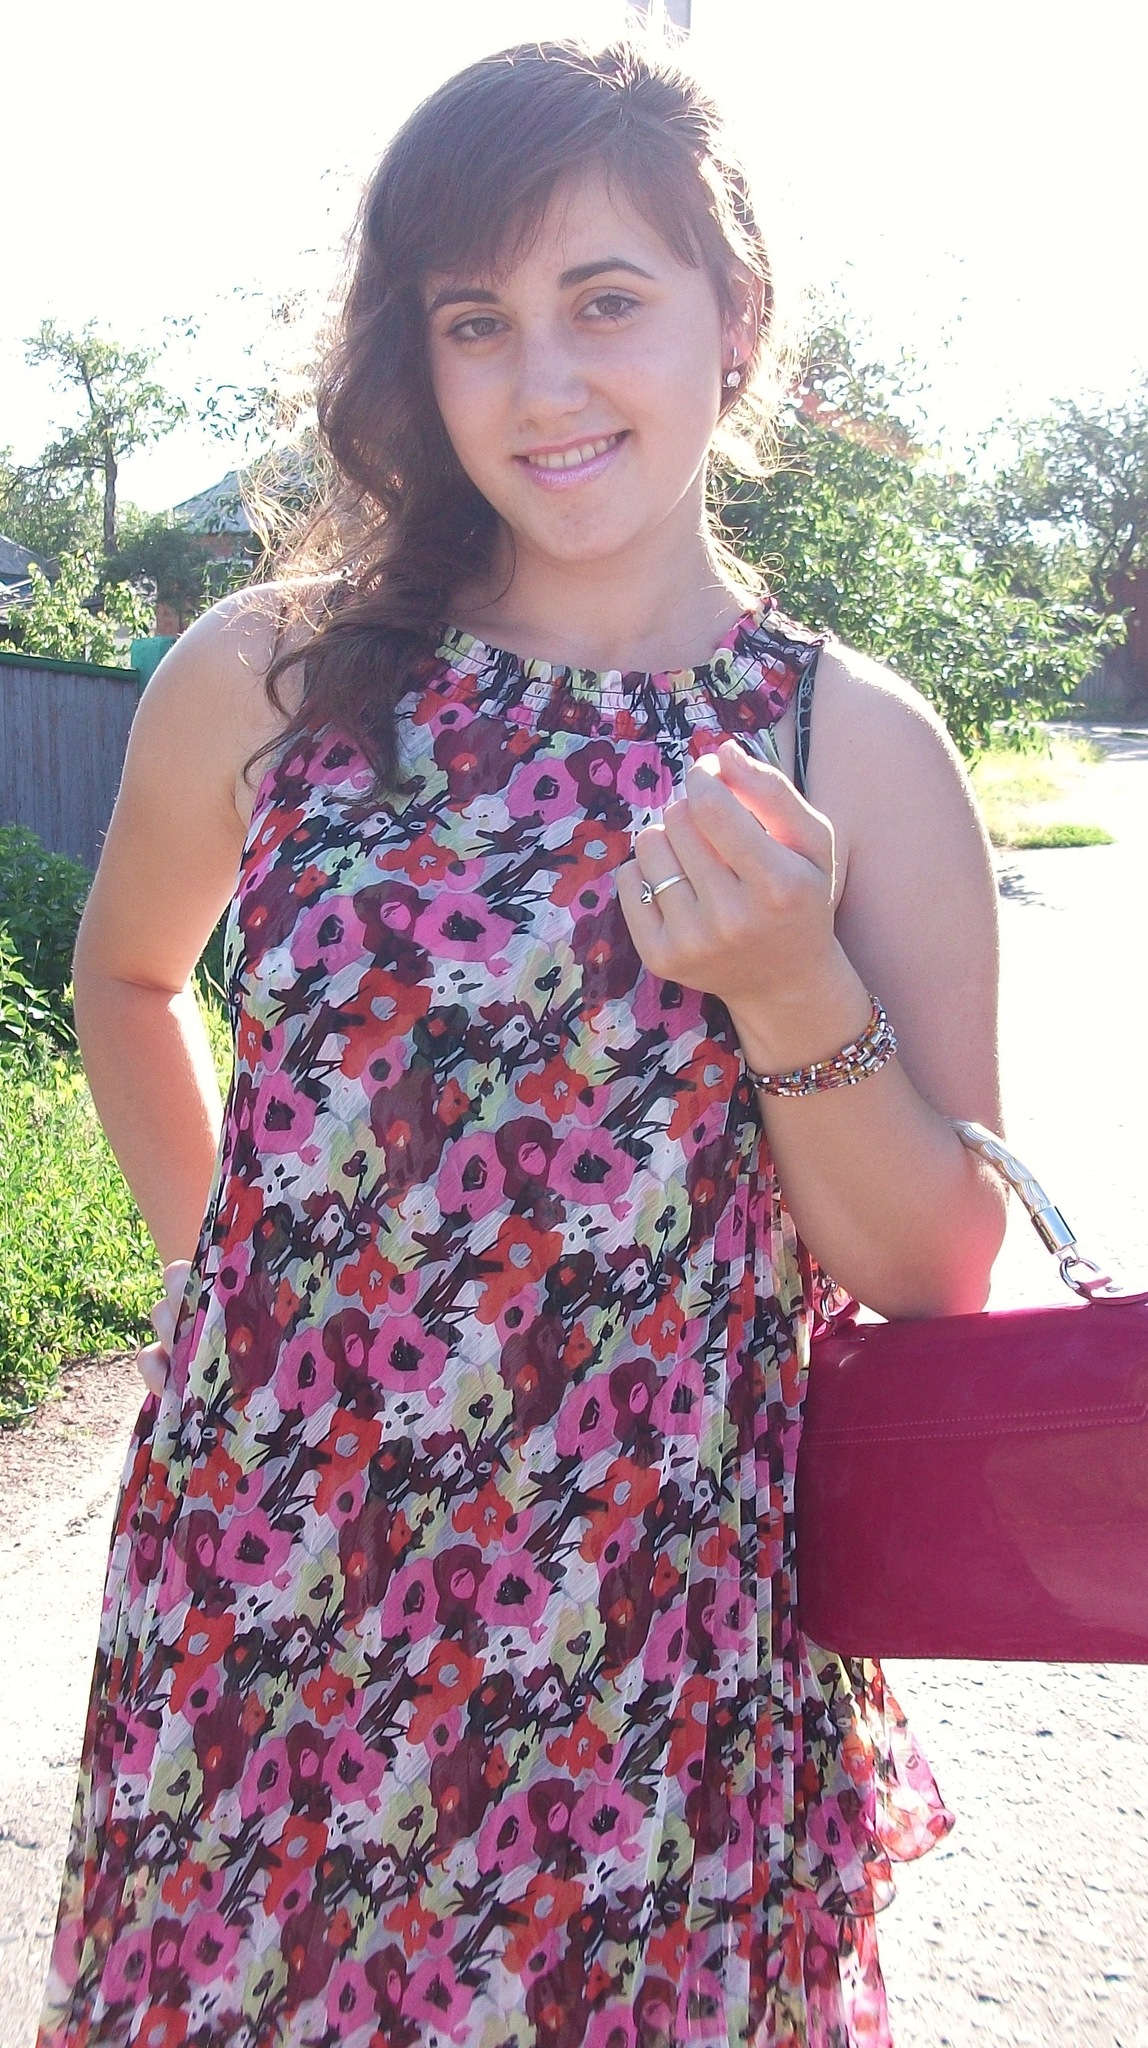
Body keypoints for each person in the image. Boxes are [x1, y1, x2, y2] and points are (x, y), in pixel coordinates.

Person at [38, 37, 1006, 2048]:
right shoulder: (270, 672)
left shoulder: (855, 748)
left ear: (737, 324)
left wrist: (791, 988)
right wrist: (224, 1278)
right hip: (275, 1588)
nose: (542, 383)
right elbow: (126, 983)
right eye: (476, 319)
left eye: (606, 300)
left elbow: (933, 1273)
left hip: (651, 1634)